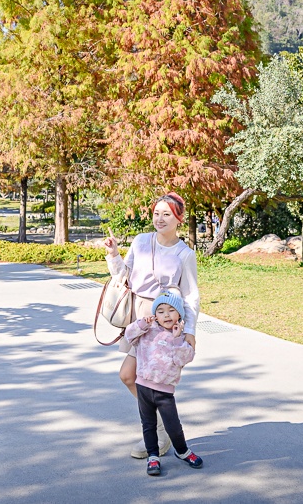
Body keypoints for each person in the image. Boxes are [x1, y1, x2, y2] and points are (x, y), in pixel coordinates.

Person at [102, 191, 200, 459]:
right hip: (140, 317)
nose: (160, 219)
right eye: (156, 213)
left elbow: (190, 295)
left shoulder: (184, 254)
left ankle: (159, 433)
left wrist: (190, 331)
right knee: (129, 376)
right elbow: (123, 275)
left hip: (164, 321)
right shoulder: (141, 241)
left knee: (147, 380)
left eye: (166, 214)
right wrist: (113, 254)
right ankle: (160, 430)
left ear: (178, 218)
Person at [124, 291, 203, 477]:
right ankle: (153, 456)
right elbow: (129, 335)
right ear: (155, 315)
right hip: (143, 386)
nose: (166, 315)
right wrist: (142, 324)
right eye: (160, 311)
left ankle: (182, 451)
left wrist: (177, 338)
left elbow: (184, 359)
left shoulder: (180, 337)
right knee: (148, 424)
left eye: (171, 310)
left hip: (164, 391)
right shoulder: (146, 331)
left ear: (179, 314)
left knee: (173, 426)